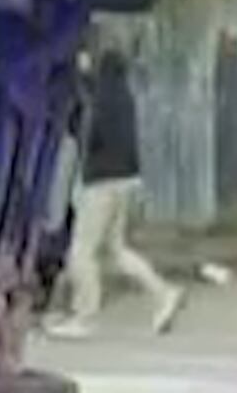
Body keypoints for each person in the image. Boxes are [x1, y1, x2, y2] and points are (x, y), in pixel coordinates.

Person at [50, 49, 185, 338]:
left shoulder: (102, 101)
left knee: (81, 252)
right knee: (116, 250)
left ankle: (84, 317)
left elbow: (88, 129)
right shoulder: (124, 98)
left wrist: (79, 76)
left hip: (101, 182)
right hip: (126, 181)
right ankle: (163, 293)